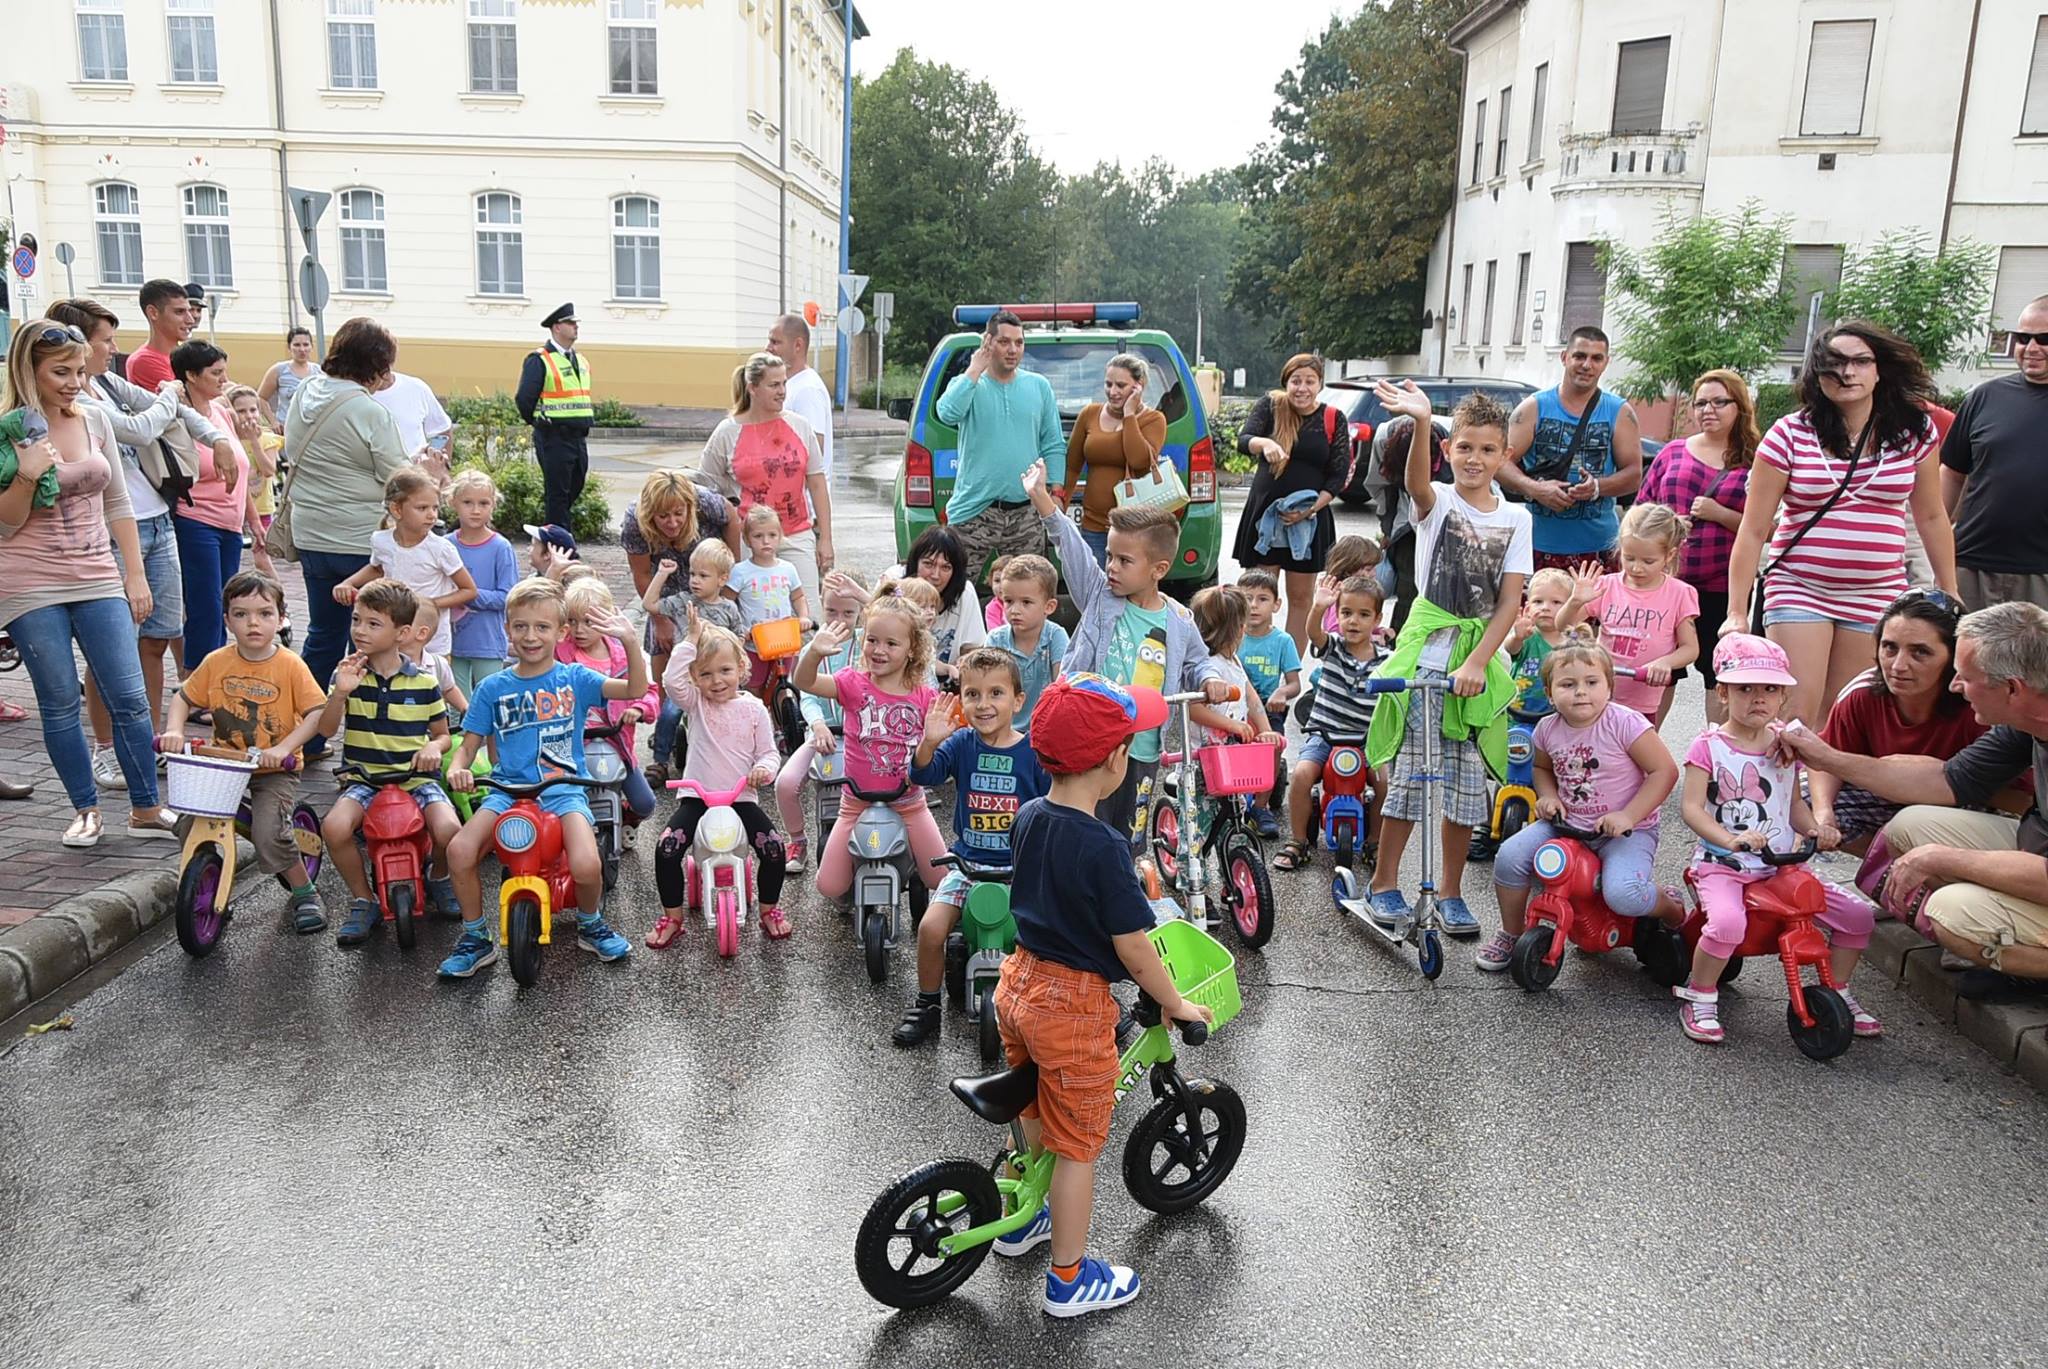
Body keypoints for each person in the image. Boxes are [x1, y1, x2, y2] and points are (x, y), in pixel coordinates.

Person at [984, 672, 1214, 1318]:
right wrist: (1175, 1002)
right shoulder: (1105, 846)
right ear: (1115, 760)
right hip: (1070, 1004)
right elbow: (1135, 948)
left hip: (1019, 981)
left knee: (1032, 1099)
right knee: (1079, 1146)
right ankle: (1068, 1278)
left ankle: (1025, 1215)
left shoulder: (1029, 816)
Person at [1779, 602, 2048, 1002]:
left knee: (1952, 913)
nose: (1955, 686)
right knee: (1911, 826)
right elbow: (1945, 780)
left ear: (2012, 688)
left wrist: (1941, 859)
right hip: (2035, 847)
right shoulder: (2027, 718)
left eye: (1966, 677)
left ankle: (2029, 960)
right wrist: (1826, 757)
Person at [1721, 320, 1959, 726]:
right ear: (1816, 374)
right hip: (1799, 587)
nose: (1847, 373)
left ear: (1879, 369)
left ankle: (1823, 774)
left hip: (1877, 591)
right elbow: (1754, 528)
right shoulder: (1789, 434)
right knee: (1794, 713)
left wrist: (1948, 590)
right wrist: (1736, 611)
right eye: (1834, 363)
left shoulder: (1913, 433)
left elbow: (1932, 515)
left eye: (1860, 361)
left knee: (1842, 717)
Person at [1363, 383, 1531, 940]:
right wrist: (1420, 422)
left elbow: (1509, 602)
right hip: (1429, 655)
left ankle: (1452, 892)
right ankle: (1384, 881)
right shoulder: (1437, 501)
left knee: (1464, 786)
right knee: (1412, 775)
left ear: (1505, 455)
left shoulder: (1517, 519)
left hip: (1476, 664)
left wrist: (1480, 662)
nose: (1474, 459)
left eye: (1487, 449)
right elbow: (1415, 483)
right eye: (1464, 448)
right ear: (1448, 451)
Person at [0, 322, 176, 845]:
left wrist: (135, 574)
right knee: (58, 701)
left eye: (79, 371)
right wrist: (27, 473)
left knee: (130, 696)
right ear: (28, 371)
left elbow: (118, 502)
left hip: (99, 576)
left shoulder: (95, 416)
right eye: (61, 372)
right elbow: (6, 524)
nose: (75, 382)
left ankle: (146, 808)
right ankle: (85, 809)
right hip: (31, 582)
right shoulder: (10, 429)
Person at [1674, 634, 1881, 1042]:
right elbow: (1692, 808)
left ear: (1783, 696)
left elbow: (1791, 805)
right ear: (1723, 693)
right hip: (1725, 865)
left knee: (1857, 916)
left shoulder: (1785, 745)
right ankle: (1699, 994)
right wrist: (1728, 839)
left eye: (1770, 688)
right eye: (1745, 688)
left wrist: (1815, 828)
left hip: (1780, 866)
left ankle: (1838, 990)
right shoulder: (1709, 747)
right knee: (1727, 924)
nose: (1759, 698)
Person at [43, 297, 223, 764]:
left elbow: (176, 412)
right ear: (78, 345)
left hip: (158, 520)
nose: (113, 349)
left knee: (157, 639)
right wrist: (168, 396)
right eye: (105, 341)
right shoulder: (78, 400)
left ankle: (148, 739)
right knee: (111, 648)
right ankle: (106, 748)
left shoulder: (107, 381)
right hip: (114, 532)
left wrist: (218, 437)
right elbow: (139, 428)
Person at [439, 577, 647, 978]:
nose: (530, 636)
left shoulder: (575, 679)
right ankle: (475, 937)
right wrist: (457, 767)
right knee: (460, 850)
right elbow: (468, 745)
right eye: (521, 626)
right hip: (506, 790)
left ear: (561, 632)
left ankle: (591, 924)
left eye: (542, 627)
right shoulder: (491, 688)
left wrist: (630, 641)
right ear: (507, 629)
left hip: (563, 790)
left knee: (587, 864)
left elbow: (635, 687)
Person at [1020, 459, 1226, 844]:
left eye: (1124, 560)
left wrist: (1210, 679)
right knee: (1081, 830)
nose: (1112, 567)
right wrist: (1041, 497)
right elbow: (1072, 545)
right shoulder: (1099, 595)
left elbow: (1198, 662)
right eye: (1110, 556)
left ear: (1158, 569)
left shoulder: (1179, 620)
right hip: (1090, 742)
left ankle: (1121, 875)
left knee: (1129, 836)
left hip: (1141, 749)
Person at [1473, 636, 1685, 971]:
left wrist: (1628, 816)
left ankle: (1670, 908)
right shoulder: (1547, 728)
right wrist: (1548, 795)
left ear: (1609, 687)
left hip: (1626, 832)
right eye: (1568, 684)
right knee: (1509, 856)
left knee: (1624, 895)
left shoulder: (1624, 722)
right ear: (1549, 693)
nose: (1580, 692)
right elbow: (1542, 767)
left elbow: (1664, 771)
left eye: (1591, 682)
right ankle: (1511, 933)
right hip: (1567, 825)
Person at [895, 646, 1053, 1046]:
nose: (983, 704)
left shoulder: (1033, 753)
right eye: (972, 694)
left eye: (996, 693)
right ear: (961, 700)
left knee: (1047, 938)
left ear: (1018, 700)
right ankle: (927, 1004)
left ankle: (1053, 1006)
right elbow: (923, 775)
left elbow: (1052, 805)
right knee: (931, 929)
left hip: (1020, 871)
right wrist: (929, 743)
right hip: (967, 866)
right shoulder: (962, 744)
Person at [160, 570, 327, 931]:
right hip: (225, 765)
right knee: (191, 822)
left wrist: (284, 747)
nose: (253, 623)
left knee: (268, 833)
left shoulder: (289, 665)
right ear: (227, 620)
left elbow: (318, 712)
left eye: (265, 614)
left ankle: (305, 893)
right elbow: (183, 698)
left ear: (280, 620)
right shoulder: (216, 661)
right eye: (241, 614)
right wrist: (174, 730)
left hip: (274, 769)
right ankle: (211, 883)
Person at [314, 578, 464, 943]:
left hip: (415, 780)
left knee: (449, 829)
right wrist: (340, 693)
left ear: (403, 633)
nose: (360, 630)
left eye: (373, 623)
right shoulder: (347, 674)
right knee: (334, 828)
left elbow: (442, 734)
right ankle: (363, 899)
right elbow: (326, 728)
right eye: (356, 620)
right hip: (363, 780)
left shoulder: (424, 682)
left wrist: (434, 748)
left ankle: (439, 877)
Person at [1811, 589, 2009, 854]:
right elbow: (1827, 759)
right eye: (1889, 648)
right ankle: (1886, 866)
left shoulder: (1979, 705)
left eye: (1920, 652)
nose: (1898, 666)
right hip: (1885, 797)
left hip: (1964, 804)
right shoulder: (1862, 693)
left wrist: (1937, 778)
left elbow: (2020, 798)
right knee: (1799, 803)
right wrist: (1823, 814)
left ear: (1954, 656)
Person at [283, 317, 415, 707]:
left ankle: (307, 720)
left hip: (311, 532)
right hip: (360, 539)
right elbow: (399, 478)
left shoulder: (305, 390)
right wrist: (427, 469)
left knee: (323, 633)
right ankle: (369, 721)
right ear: (376, 364)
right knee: (373, 635)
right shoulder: (369, 411)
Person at [794, 593, 951, 906]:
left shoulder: (924, 696)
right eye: (872, 640)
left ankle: (910, 867)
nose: (879, 650)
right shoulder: (853, 683)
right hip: (855, 802)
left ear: (912, 649)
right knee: (829, 886)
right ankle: (860, 865)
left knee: (940, 879)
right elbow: (805, 682)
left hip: (909, 801)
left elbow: (938, 749)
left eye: (891, 643)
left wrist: (934, 740)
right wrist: (813, 653)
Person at [647, 617, 788, 946]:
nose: (716, 681)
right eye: (705, 673)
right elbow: (671, 681)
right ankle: (672, 917)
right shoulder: (696, 703)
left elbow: (769, 753)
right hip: (698, 798)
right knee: (666, 849)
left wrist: (763, 770)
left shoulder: (754, 709)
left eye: (725, 670)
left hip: (741, 798)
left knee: (773, 849)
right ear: (695, 677)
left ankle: (769, 910)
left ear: (742, 667)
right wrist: (690, 640)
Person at [1638, 370, 1757, 724]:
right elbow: (1641, 510)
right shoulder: (1672, 452)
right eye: (1701, 402)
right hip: (1667, 584)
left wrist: (1720, 514)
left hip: (1722, 586)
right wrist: (1667, 524)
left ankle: (1717, 753)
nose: (1708, 410)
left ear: (1739, 406)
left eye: (1719, 402)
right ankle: (1643, 748)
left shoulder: (1755, 461)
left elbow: (1768, 528)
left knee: (1719, 673)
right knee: (1659, 672)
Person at [1501, 326, 1644, 574]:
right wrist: (1535, 489)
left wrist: (1597, 487)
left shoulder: (1620, 412)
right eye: (1579, 356)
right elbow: (1499, 462)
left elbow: (1634, 475)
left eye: (1596, 358)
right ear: (1564, 357)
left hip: (1599, 549)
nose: (1587, 365)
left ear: (1606, 363)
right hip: (1536, 546)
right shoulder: (1533, 407)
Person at [1230, 353, 1351, 647]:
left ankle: (1289, 665)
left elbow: (1337, 474)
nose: (1302, 388)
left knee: (1300, 597)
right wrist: (1265, 443)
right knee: (1257, 595)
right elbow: (1244, 440)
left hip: (1309, 520)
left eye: (1310, 381)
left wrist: (1310, 510)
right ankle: (1251, 657)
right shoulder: (1270, 406)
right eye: (1296, 381)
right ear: (1286, 383)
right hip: (1266, 518)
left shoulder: (1333, 418)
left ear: (1320, 385)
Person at [936, 310, 1063, 585]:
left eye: (1019, 342)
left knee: (1030, 590)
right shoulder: (969, 383)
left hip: (1025, 512)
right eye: (1004, 342)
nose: (1013, 350)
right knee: (954, 589)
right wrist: (975, 368)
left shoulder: (1038, 386)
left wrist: (1056, 491)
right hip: (974, 510)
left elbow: (1053, 442)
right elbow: (946, 413)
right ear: (988, 342)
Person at [697, 353, 834, 604]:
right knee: (756, 612)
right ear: (753, 388)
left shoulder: (800, 426)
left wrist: (825, 538)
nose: (782, 391)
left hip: (796, 534)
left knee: (809, 613)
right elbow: (705, 488)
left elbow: (817, 482)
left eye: (784, 383)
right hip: (748, 539)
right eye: (774, 385)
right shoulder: (727, 432)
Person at [1942, 294, 2048, 612]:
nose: (2031, 348)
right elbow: (1952, 473)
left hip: (2040, 574)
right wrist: (1934, 544)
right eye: (2023, 338)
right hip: (1970, 566)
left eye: (2044, 339)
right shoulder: (1985, 397)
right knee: (1962, 645)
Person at [1276, 575, 1389, 872]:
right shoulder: (1334, 647)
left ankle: (1375, 841)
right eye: (1346, 613)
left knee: (1385, 784)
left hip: (1367, 739)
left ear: (1377, 619)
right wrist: (1318, 607)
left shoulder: (1386, 660)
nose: (1353, 621)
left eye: (1363, 614)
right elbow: (1314, 633)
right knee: (1301, 776)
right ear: (1337, 615)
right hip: (1324, 734)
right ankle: (1298, 840)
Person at [168, 339, 268, 663]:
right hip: (197, 521)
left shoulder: (222, 413)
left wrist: (253, 520)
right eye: (215, 373)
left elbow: (238, 471)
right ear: (191, 375)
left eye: (224, 371)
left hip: (231, 525)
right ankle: (199, 679)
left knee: (226, 604)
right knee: (206, 608)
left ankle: (216, 673)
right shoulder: (178, 418)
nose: (224, 380)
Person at [1558, 502, 1699, 725]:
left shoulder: (1680, 593)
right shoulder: (1606, 586)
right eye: (1629, 558)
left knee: (1637, 745)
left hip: (1643, 698)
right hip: (1599, 694)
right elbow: (1562, 626)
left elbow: (1690, 649)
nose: (1636, 568)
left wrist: (1665, 663)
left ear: (1669, 555)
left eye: (1648, 561)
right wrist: (1574, 602)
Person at [773, 572, 866, 872]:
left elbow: (892, 612)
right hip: (823, 733)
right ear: (821, 605)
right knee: (786, 783)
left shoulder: (868, 644)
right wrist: (817, 725)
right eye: (831, 611)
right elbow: (808, 696)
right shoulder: (810, 649)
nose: (839, 620)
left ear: (861, 611)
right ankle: (797, 840)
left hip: (863, 736)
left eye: (848, 613)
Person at [334, 468, 477, 658]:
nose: (432, 515)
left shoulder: (441, 548)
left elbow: (468, 590)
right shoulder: (381, 541)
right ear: (397, 509)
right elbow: (377, 569)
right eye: (422, 508)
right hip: (392, 639)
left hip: (431, 644)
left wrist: (429, 605)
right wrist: (348, 583)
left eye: (435, 508)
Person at [559, 579, 660, 824]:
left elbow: (649, 691)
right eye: (572, 621)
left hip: (617, 742)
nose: (579, 630)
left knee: (645, 804)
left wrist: (639, 708)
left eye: (589, 622)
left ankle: (625, 818)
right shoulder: (561, 654)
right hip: (573, 746)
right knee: (568, 802)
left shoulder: (622, 656)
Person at [1062, 354, 1167, 567]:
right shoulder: (1090, 414)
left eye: (1121, 385)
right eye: (1108, 384)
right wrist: (1060, 510)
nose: (1113, 391)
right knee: (1092, 585)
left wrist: (1129, 415)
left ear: (1138, 386)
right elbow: (1072, 467)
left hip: (1133, 531)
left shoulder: (1153, 420)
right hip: (1093, 526)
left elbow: (1139, 461)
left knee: (1125, 586)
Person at [1366, 413, 1451, 636]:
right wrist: (1388, 528)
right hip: (1405, 526)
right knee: (1408, 588)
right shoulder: (1383, 437)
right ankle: (1398, 642)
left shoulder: (1456, 438)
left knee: (1444, 590)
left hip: (1451, 523)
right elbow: (1378, 486)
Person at [516, 303, 594, 529]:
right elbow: (524, 398)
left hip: (578, 436)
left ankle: (555, 531)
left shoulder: (580, 360)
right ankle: (559, 540)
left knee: (575, 485)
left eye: (576, 323)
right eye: (570, 323)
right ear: (557, 327)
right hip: (554, 436)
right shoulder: (540, 359)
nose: (576, 326)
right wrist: (537, 422)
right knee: (557, 493)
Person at [446, 469, 518, 697]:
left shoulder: (501, 547)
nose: (476, 510)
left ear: (493, 505)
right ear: (453, 503)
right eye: (468, 502)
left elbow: (508, 596)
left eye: (483, 503)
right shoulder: (445, 545)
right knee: (456, 704)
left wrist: (467, 594)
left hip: (487, 641)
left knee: (490, 699)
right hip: (451, 640)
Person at [731, 505, 810, 693]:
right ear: (747, 539)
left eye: (772, 535)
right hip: (753, 643)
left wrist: (803, 616)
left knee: (782, 685)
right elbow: (727, 603)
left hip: (784, 640)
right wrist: (738, 629)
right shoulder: (740, 571)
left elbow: (798, 596)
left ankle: (782, 712)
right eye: (758, 536)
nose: (766, 541)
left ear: (780, 536)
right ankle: (755, 711)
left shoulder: (787, 569)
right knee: (753, 685)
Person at [986, 555, 1067, 734]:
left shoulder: (1055, 636)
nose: (1015, 610)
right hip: (1003, 729)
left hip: (1046, 729)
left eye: (1026, 602)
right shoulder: (996, 639)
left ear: (1049, 606)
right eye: (1008, 601)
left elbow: (1063, 685)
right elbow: (988, 688)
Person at [891, 526, 984, 681]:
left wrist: (966, 661)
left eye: (946, 567)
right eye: (928, 564)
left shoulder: (965, 592)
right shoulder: (895, 580)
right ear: (915, 563)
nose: (935, 575)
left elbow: (974, 648)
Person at [767, 311, 834, 480]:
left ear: (798, 345)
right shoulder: (790, 384)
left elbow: (813, 451)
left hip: (801, 495)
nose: (768, 348)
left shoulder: (807, 390)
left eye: (775, 342)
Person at [1505, 567, 1573, 718]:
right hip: (1518, 715)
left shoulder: (1573, 641)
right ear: (1528, 608)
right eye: (1538, 601)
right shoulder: (1527, 635)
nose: (1545, 608)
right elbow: (1511, 649)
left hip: (1558, 716)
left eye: (1556, 602)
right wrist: (1517, 637)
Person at [225, 385, 281, 532]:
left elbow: (269, 471)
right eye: (241, 411)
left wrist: (254, 441)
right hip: (235, 508)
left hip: (262, 509)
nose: (249, 415)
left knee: (262, 543)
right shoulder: (228, 439)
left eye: (253, 410)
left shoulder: (267, 439)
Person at [122, 279, 195, 392]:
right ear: (153, 313)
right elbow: (186, 400)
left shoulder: (185, 355)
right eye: (179, 312)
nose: (190, 320)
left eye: (189, 311)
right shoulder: (144, 361)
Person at [371, 369, 453, 466]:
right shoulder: (356, 396)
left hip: (416, 473)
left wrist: (438, 465)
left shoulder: (416, 388)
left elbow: (443, 430)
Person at [257, 326, 323, 421]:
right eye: (297, 345)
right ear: (289, 347)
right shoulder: (278, 370)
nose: (302, 349)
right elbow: (261, 398)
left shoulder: (319, 372)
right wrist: (273, 421)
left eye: (306, 345)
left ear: (311, 347)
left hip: (312, 426)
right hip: (286, 425)